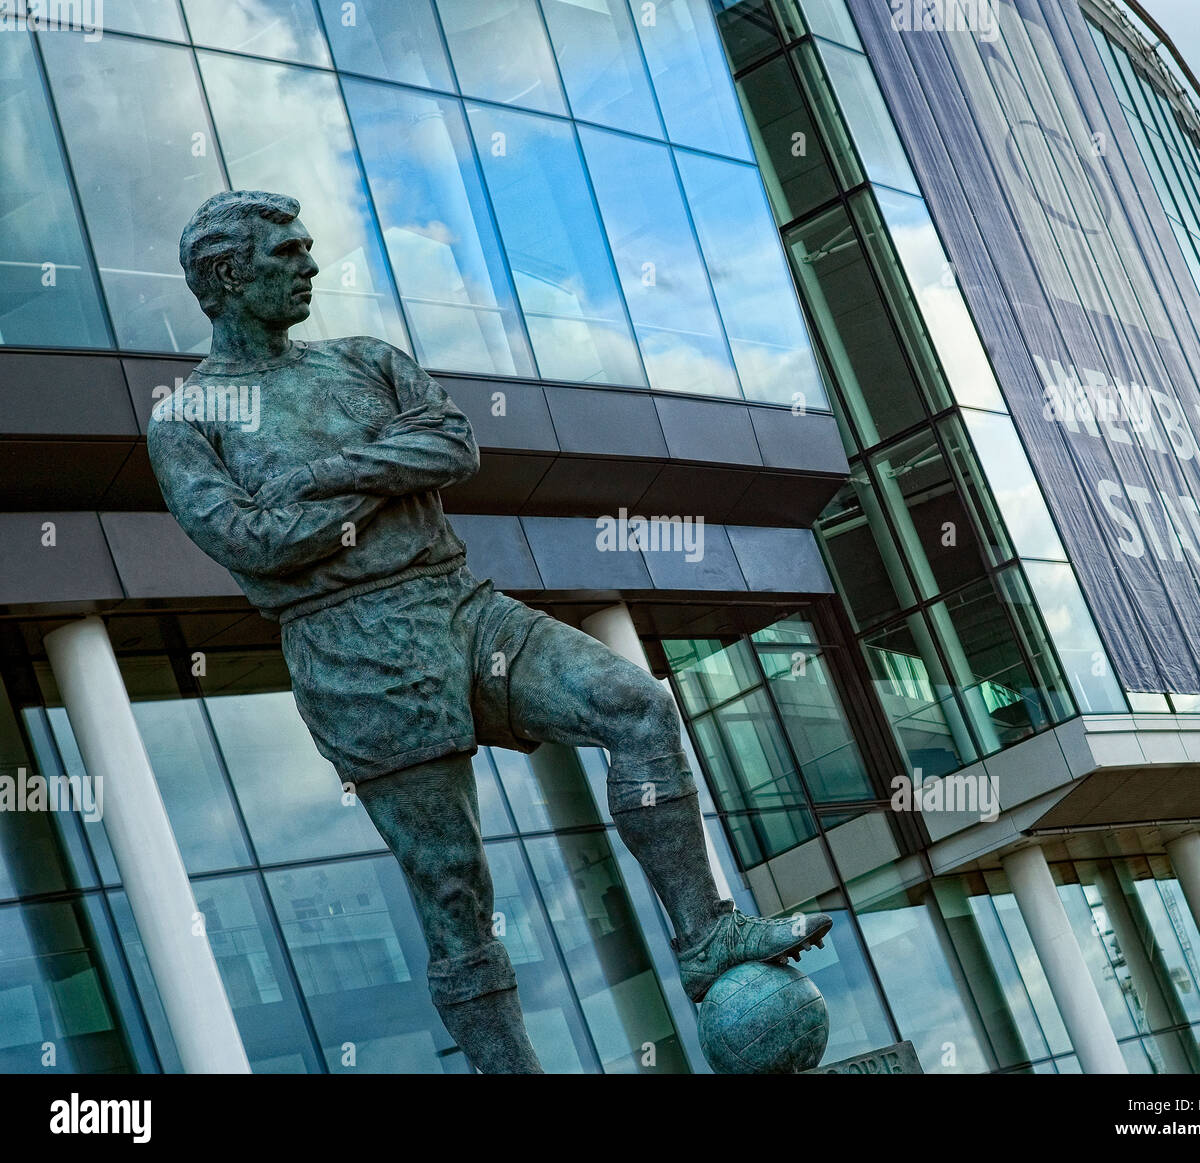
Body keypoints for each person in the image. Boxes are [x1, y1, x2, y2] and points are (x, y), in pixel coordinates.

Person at [148, 190, 832, 1073]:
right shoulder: (188, 419)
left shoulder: (364, 359)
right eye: (287, 253)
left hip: (461, 605)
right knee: (454, 894)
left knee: (635, 707)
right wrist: (387, 478)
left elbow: (453, 446)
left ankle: (706, 935)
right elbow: (253, 543)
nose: (311, 265)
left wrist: (324, 476)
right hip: (355, 651)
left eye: (308, 248)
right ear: (227, 275)